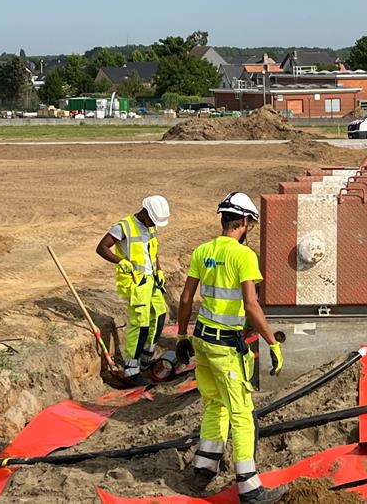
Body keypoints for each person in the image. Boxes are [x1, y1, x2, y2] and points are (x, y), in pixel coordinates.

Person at [175, 192, 287, 503]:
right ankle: (250, 488)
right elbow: (251, 305)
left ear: (224, 219)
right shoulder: (243, 256)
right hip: (225, 346)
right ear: (247, 223)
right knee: (242, 413)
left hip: (202, 341)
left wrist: (181, 336)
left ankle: (203, 470)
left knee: (214, 404)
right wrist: (272, 341)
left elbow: (186, 299)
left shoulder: (203, 250)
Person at [96, 195, 170, 384]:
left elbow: (153, 252)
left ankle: (146, 359)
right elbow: (101, 248)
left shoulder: (151, 226)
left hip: (152, 280)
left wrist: (159, 271)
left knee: (160, 317)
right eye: (153, 219)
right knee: (141, 326)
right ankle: (131, 370)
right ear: (144, 212)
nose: (154, 224)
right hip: (137, 283)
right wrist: (121, 261)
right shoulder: (124, 226)